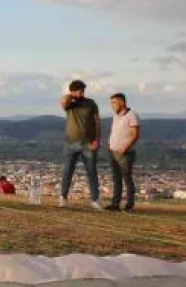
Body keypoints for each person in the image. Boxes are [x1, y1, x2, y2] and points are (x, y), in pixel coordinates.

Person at [58, 79, 102, 210]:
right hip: (70, 142)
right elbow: (63, 103)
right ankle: (63, 197)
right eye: (79, 91)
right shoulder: (69, 103)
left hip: (88, 142)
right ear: (72, 91)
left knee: (92, 171)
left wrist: (97, 140)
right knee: (67, 170)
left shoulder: (91, 103)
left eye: (83, 91)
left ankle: (95, 199)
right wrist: (70, 96)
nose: (81, 94)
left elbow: (97, 122)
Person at [106, 92, 141, 212]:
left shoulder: (131, 115)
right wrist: (110, 143)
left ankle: (129, 205)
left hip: (125, 153)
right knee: (116, 179)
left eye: (114, 102)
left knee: (127, 179)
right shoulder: (116, 116)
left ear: (122, 102)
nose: (112, 105)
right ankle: (115, 204)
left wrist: (125, 147)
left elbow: (135, 134)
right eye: (111, 103)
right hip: (113, 151)